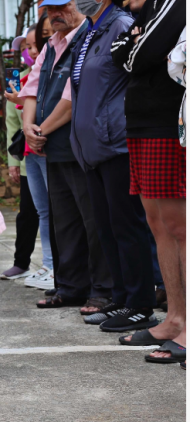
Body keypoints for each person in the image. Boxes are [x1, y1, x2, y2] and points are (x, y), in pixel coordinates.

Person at [67, 0, 161, 332]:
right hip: (91, 147)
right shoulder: (90, 30)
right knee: (107, 228)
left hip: (116, 143)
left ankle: (140, 304)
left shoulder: (120, 24)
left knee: (127, 226)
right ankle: (121, 298)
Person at [19, 0, 114, 314]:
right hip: (51, 146)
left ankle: (101, 290)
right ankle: (70, 287)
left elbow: (73, 98)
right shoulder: (50, 45)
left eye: (62, 7)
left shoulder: (90, 37)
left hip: (80, 145)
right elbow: (31, 88)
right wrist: (27, 127)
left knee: (93, 221)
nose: (55, 14)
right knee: (64, 222)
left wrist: (39, 129)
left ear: (79, 6)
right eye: (49, 10)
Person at [111, 0, 186, 365]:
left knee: (180, 226)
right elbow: (122, 52)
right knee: (158, 225)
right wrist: (134, 44)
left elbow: (139, 56)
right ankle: (175, 318)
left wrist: (135, 46)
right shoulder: (145, 10)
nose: (124, 3)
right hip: (141, 120)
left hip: (168, 121)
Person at [0, 27, 45, 285]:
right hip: (28, 158)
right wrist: (13, 162)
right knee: (28, 213)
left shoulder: (52, 75)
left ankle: (56, 265)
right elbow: (12, 125)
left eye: (35, 44)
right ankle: (21, 262)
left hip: (51, 154)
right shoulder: (18, 80)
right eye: (27, 47)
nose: (32, 51)